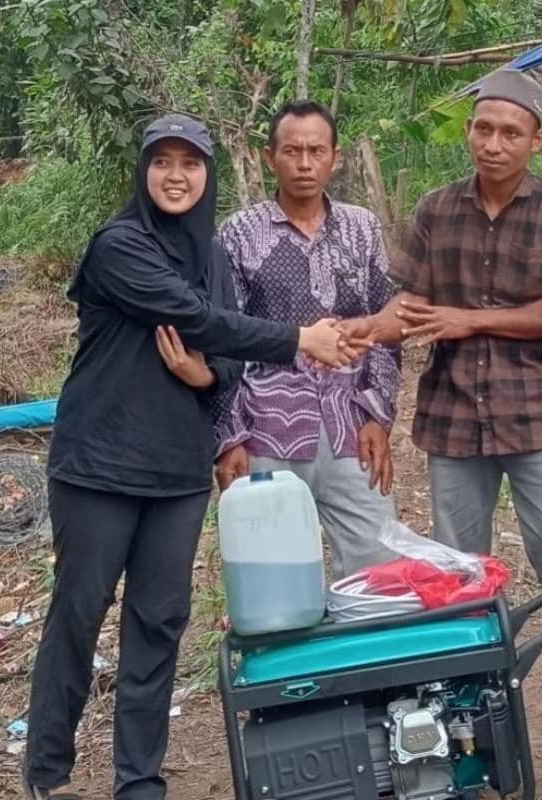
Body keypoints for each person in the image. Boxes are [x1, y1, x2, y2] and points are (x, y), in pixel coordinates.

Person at [24, 114, 360, 800]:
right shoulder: (120, 246)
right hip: (99, 466)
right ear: (143, 172)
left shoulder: (211, 255)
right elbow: (196, 318)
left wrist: (208, 377)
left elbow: (225, 354)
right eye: (162, 162)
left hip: (177, 471)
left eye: (191, 163)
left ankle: (139, 780)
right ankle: (49, 772)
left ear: (209, 175)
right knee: (80, 612)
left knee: (159, 619)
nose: (176, 175)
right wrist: (301, 339)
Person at [338, 69, 542, 743]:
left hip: (537, 416)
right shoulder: (439, 209)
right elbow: (408, 305)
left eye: (509, 132)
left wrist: (472, 319)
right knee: (458, 573)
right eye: (483, 129)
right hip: (453, 419)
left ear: (537, 140)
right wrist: (354, 332)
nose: (493, 144)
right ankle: (467, 712)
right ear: (469, 132)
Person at [193, 99, 400, 578]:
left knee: (380, 573)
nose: (305, 164)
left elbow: (385, 329)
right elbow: (226, 339)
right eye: (292, 152)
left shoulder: (362, 228)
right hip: (269, 428)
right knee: (277, 578)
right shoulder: (240, 234)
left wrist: (378, 416)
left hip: (352, 428)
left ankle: (370, 654)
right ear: (271, 158)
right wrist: (229, 438)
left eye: (316, 151)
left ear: (336, 156)